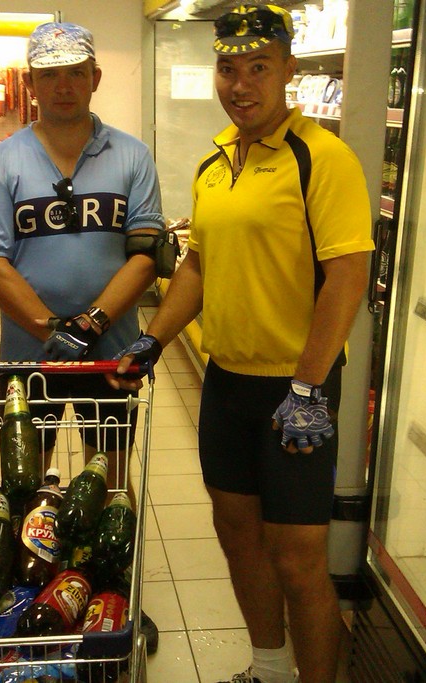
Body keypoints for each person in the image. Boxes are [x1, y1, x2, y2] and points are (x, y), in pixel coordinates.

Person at [111, 5, 374, 682]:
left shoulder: (322, 158)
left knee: (298, 557)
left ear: (288, 69)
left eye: (259, 67)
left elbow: (348, 276)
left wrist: (309, 387)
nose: (241, 84)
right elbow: (198, 265)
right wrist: (152, 342)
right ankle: (269, 666)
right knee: (237, 536)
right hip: (228, 382)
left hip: (297, 387)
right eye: (229, 68)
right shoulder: (216, 159)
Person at [0, 22, 164, 653]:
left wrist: (92, 324)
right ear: (31, 84)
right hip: (30, 360)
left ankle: (111, 595)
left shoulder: (131, 156)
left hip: (113, 358)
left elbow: (146, 255)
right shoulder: (1, 161)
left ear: (95, 78)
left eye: (75, 72)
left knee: (112, 481)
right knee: (28, 485)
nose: (63, 86)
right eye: (49, 75)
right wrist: (50, 329)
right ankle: (29, 601)